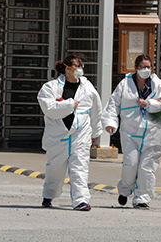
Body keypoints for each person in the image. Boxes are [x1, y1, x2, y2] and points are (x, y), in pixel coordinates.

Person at [102, 54, 161, 209]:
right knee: (131, 164)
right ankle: (125, 189)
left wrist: (149, 104)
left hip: (153, 133)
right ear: (136, 68)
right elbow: (113, 104)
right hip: (130, 132)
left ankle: (142, 198)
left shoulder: (160, 85)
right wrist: (110, 123)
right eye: (143, 67)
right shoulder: (125, 84)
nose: (146, 70)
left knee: (147, 168)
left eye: (149, 67)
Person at [37, 53, 102, 211]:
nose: (80, 69)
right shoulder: (50, 87)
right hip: (58, 136)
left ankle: (81, 200)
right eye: (76, 66)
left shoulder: (88, 88)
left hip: (81, 134)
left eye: (81, 66)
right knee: (55, 169)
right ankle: (49, 194)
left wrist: (96, 133)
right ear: (67, 69)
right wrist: (70, 104)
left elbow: (96, 111)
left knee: (80, 167)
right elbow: (49, 109)